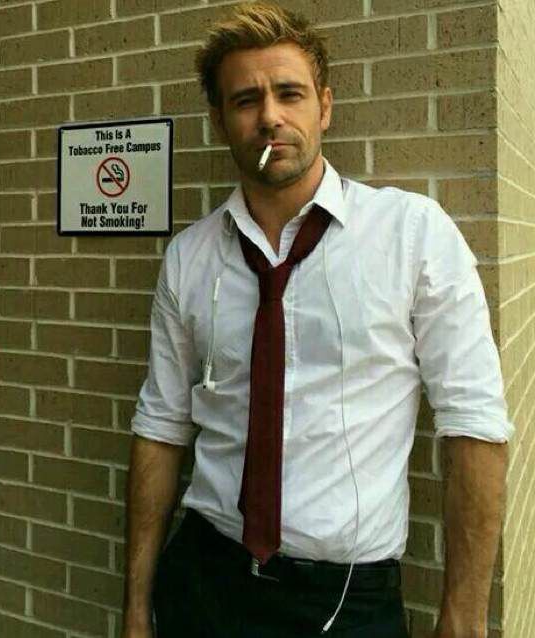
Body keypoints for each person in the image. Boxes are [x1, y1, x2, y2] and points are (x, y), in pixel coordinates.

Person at [121, 3, 513, 637]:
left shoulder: (410, 235)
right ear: (220, 122)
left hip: (345, 600)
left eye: (289, 93)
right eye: (245, 100)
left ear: (324, 107)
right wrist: (137, 609)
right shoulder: (190, 257)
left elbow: (474, 423)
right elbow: (161, 427)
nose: (269, 116)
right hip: (203, 577)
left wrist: (464, 621)